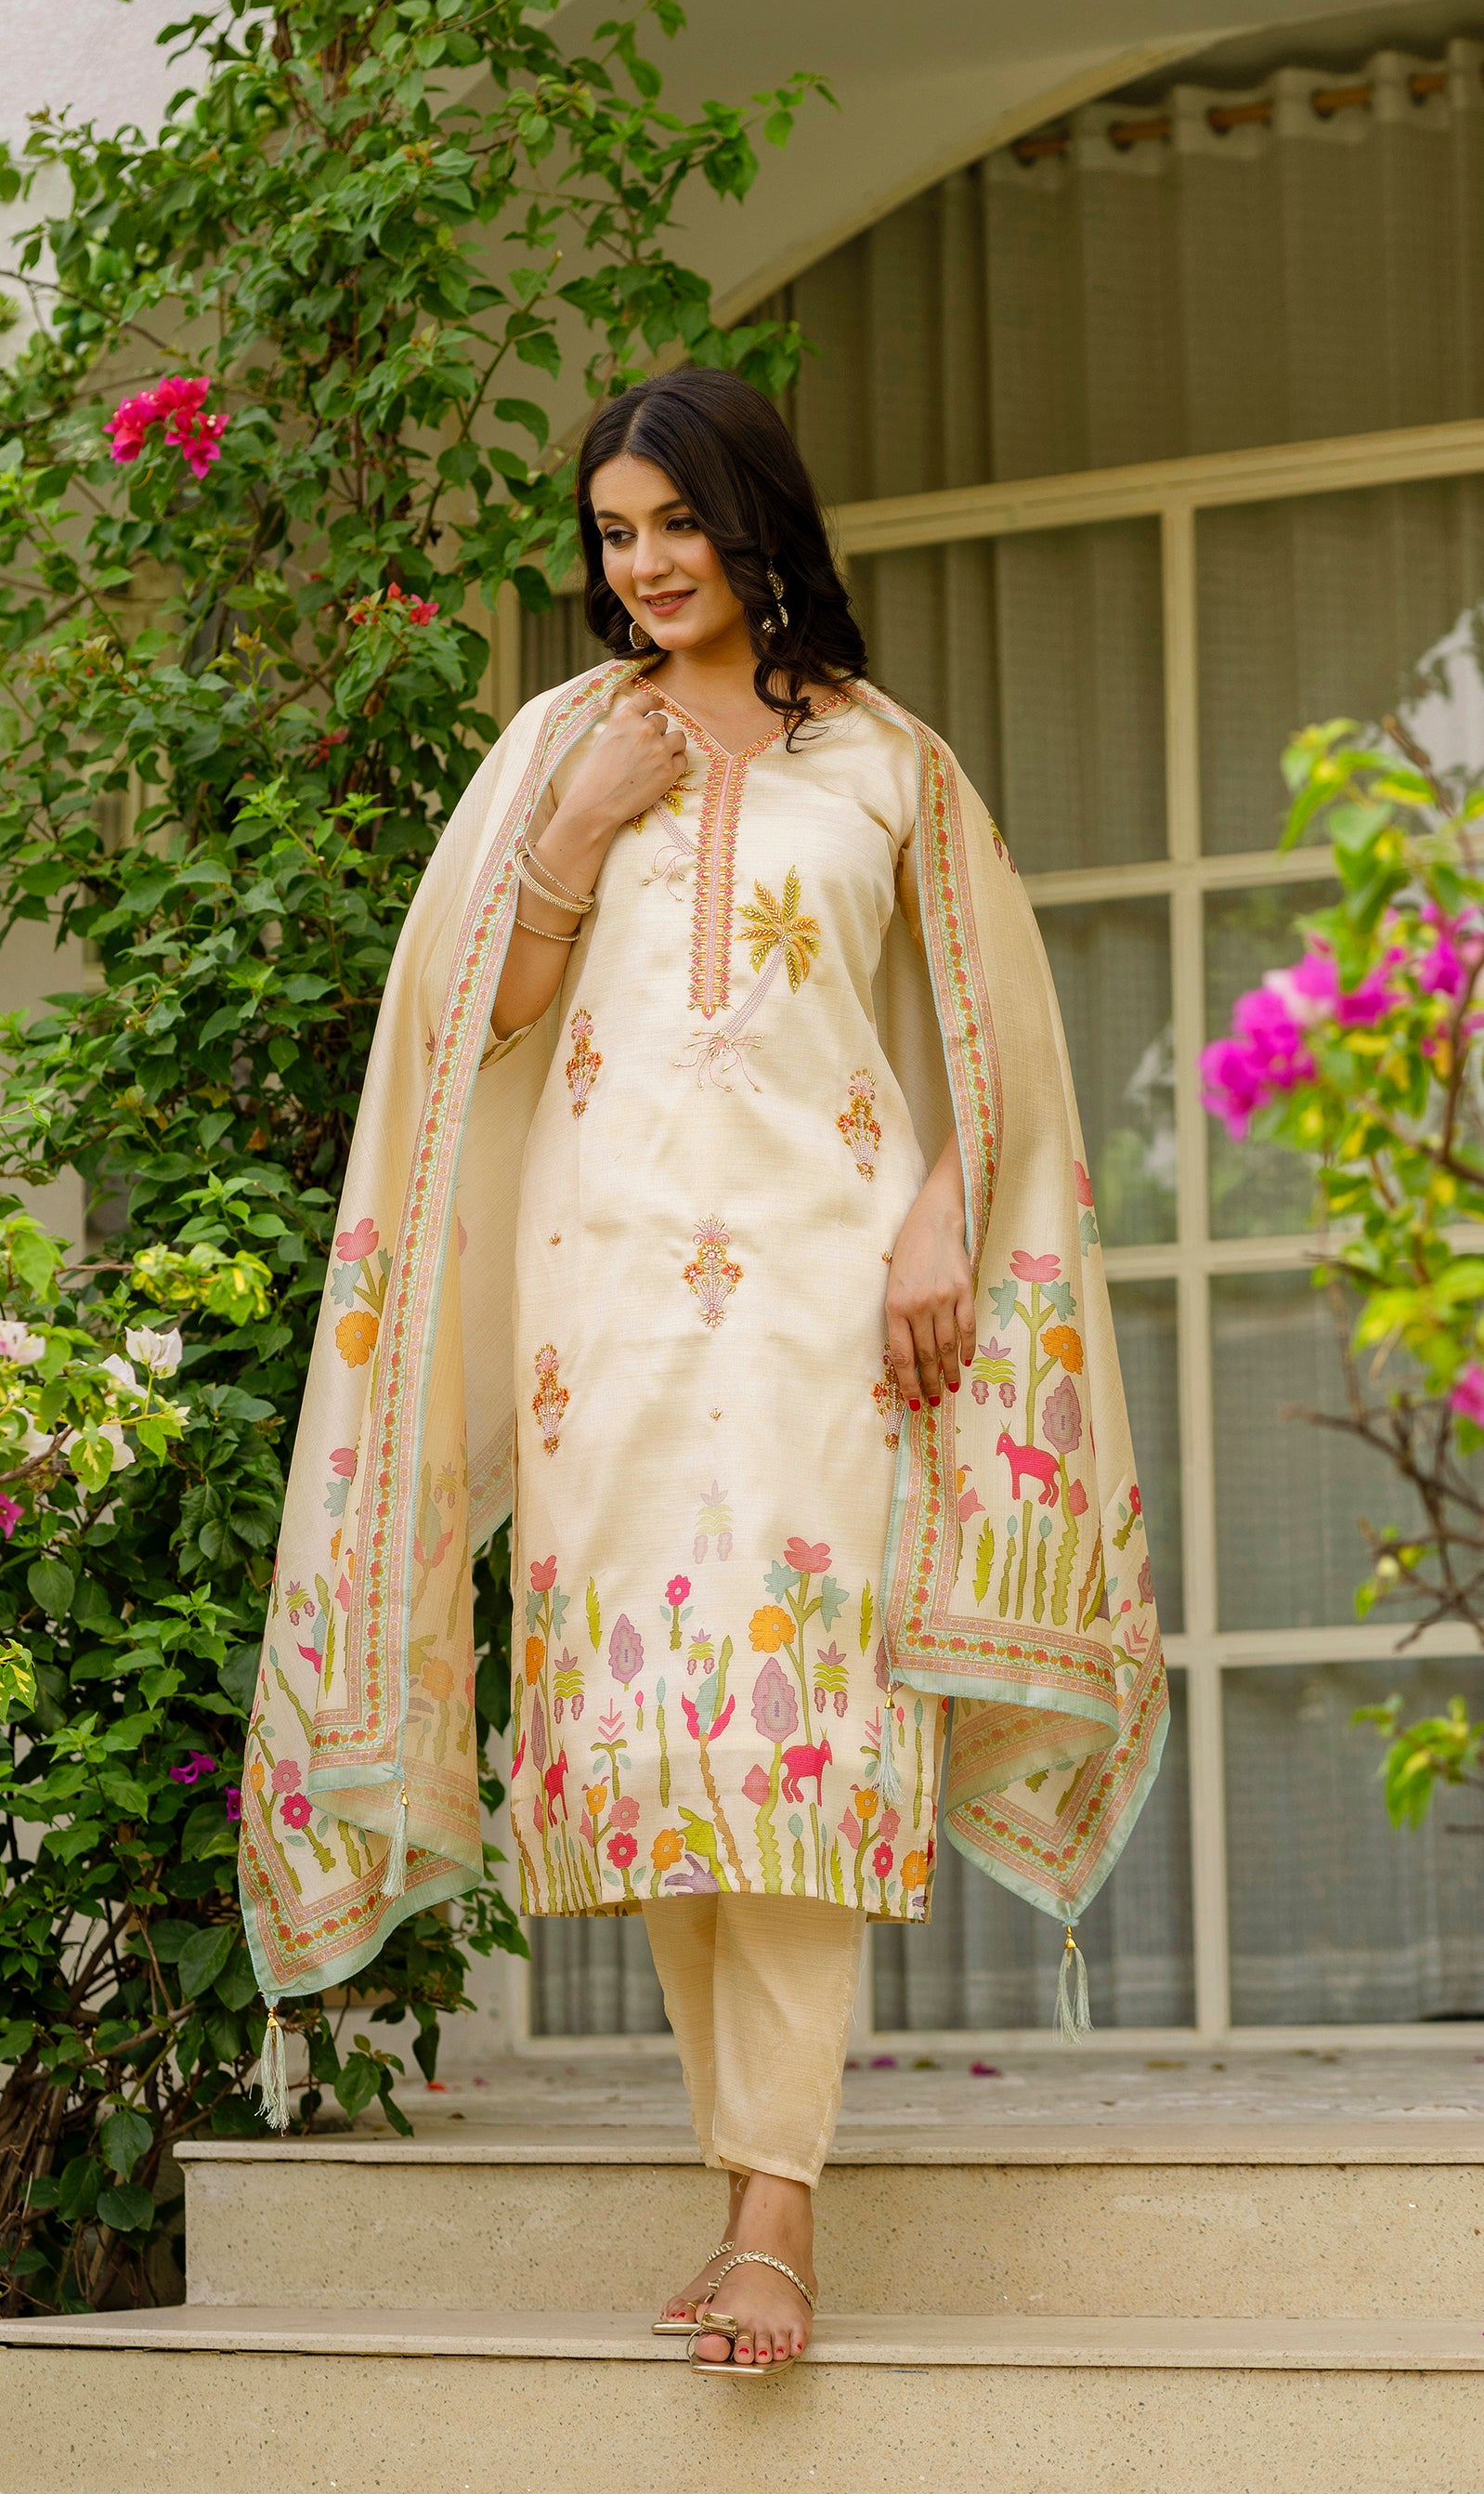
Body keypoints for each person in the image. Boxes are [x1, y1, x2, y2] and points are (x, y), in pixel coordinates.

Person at [237, 366, 1167, 2378]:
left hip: (833, 1304)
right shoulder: (556, 746)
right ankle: (743, 2165)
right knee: (668, 1759)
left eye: (674, 523)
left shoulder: (889, 764)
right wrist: (575, 829)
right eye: (612, 534)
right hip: (606, 1318)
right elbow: (467, 1025)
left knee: (795, 1735)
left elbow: (987, 1038)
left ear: (758, 523)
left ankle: (772, 2214)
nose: (644, 566)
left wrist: (944, 1214)